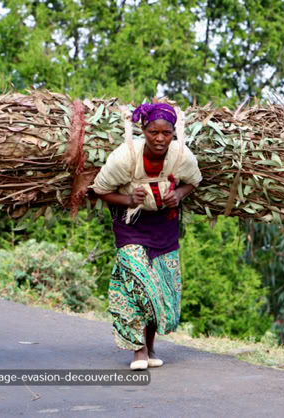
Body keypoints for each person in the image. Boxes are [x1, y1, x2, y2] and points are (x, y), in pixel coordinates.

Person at [90, 102, 202, 370]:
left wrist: (178, 195)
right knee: (137, 285)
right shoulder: (124, 157)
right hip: (131, 226)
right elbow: (100, 190)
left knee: (161, 290)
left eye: (166, 133)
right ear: (143, 130)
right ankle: (138, 351)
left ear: (174, 133)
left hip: (164, 227)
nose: (160, 139)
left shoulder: (181, 157)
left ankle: (150, 347)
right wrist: (128, 199)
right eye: (154, 132)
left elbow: (193, 182)